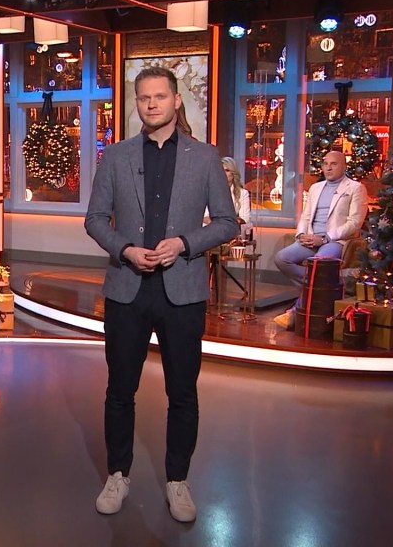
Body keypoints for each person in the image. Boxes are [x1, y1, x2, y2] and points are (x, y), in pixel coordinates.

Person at [84, 67, 238, 523]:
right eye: (143, 97)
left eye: (159, 96)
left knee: (183, 393)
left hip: (182, 291)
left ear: (176, 101)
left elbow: (227, 223)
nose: (151, 104)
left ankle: (177, 480)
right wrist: (126, 250)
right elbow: (95, 219)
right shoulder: (116, 156)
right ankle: (117, 474)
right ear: (137, 103)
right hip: (127, 289)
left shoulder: (205, 157)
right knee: (119, 390)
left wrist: (185, 244)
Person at [273, 150, 368, 329]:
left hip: (335, 240)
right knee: (281, 258)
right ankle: (323, 286)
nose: (328, 168)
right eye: (325, 164)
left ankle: (294, 312)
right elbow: (306, 216)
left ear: (344, 166)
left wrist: (325, 238)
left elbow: (355, 223)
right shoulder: (316, 188)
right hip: (310, 238)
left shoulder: (355, 188)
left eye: (334, 164)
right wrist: (301, 235)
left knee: (318, 265)